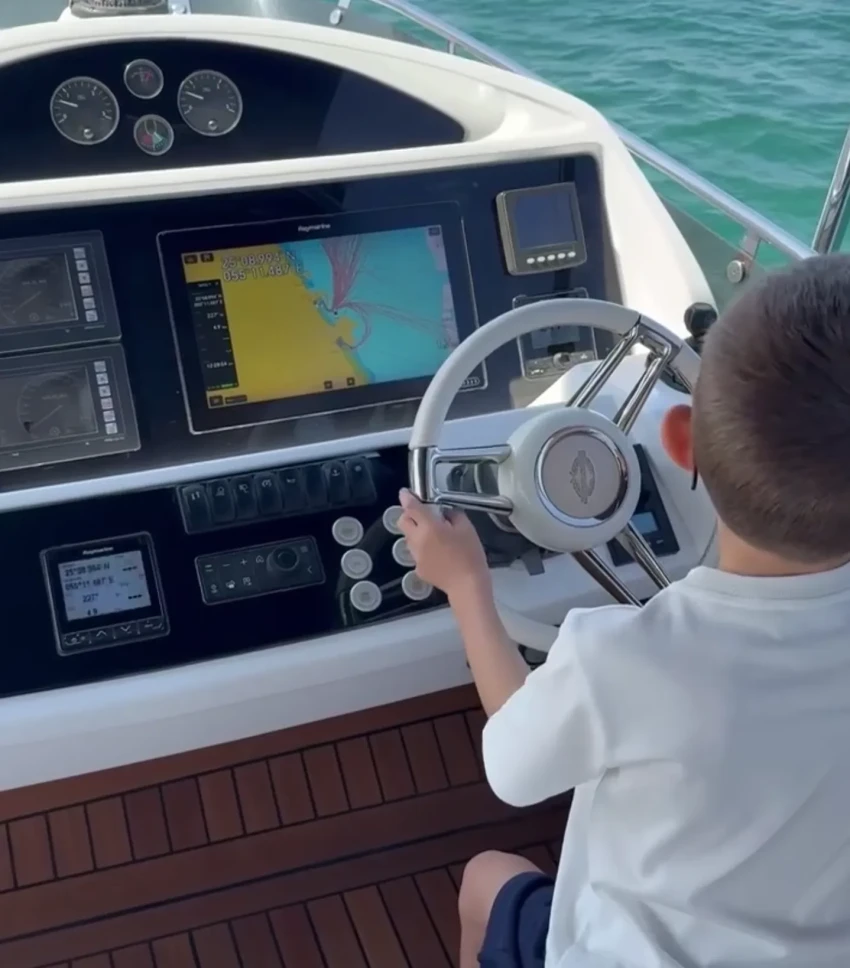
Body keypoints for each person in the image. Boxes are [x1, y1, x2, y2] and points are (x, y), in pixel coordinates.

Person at [397, 254, 850, 968]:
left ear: (678, 441)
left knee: (487, 877)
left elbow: (512, 767)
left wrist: (465, 584)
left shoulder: (621, 658)